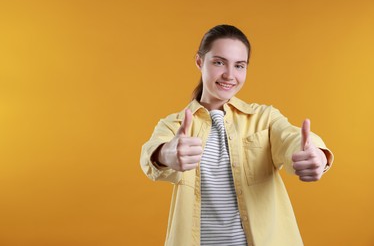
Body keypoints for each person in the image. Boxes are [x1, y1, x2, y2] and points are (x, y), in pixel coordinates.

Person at [140, 25, 333, 246]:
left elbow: (291, 138)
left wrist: (315, 154)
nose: (229, 75)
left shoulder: (264, 117)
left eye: (239, 66)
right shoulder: (175, 124)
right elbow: (150, 154)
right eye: (219, 62)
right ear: (199, 62)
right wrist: (165, 154)